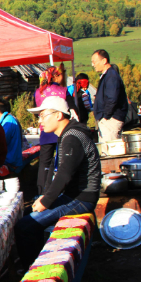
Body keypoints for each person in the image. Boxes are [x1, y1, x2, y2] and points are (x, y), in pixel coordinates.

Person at [14, 96, 102, 266]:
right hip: (74, 195)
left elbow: (64, 175)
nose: (40, 121)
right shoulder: (68, 134)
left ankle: (31, 269)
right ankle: (37, 258)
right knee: (27, 217)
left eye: (43, 116)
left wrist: (46, 201)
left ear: (58, 115)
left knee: (25, 226)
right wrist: (45, 198)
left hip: (81, 198)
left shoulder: (72, 137)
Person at [35, 65, 67, 194]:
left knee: (44, 162)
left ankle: (41, 191)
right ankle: (59, 190)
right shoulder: (63, 90)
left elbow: (36, 109)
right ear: (56, 76)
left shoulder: (39, 92)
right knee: (61, 161)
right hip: (60, 128)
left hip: (46, 129)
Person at [91, 49, 128, 141]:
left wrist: (106, 117)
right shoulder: (108, 75)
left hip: (111, 120)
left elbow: (112, 99)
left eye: (94, 62)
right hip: (108, 119)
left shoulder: (111, 76)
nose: (93, 65)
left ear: (104, 61)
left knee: (109, 149)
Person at [0, 98, 24, 174]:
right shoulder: (7, 119)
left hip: (10, 160)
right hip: (10, 157)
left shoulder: (8, 122)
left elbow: (0, 142)